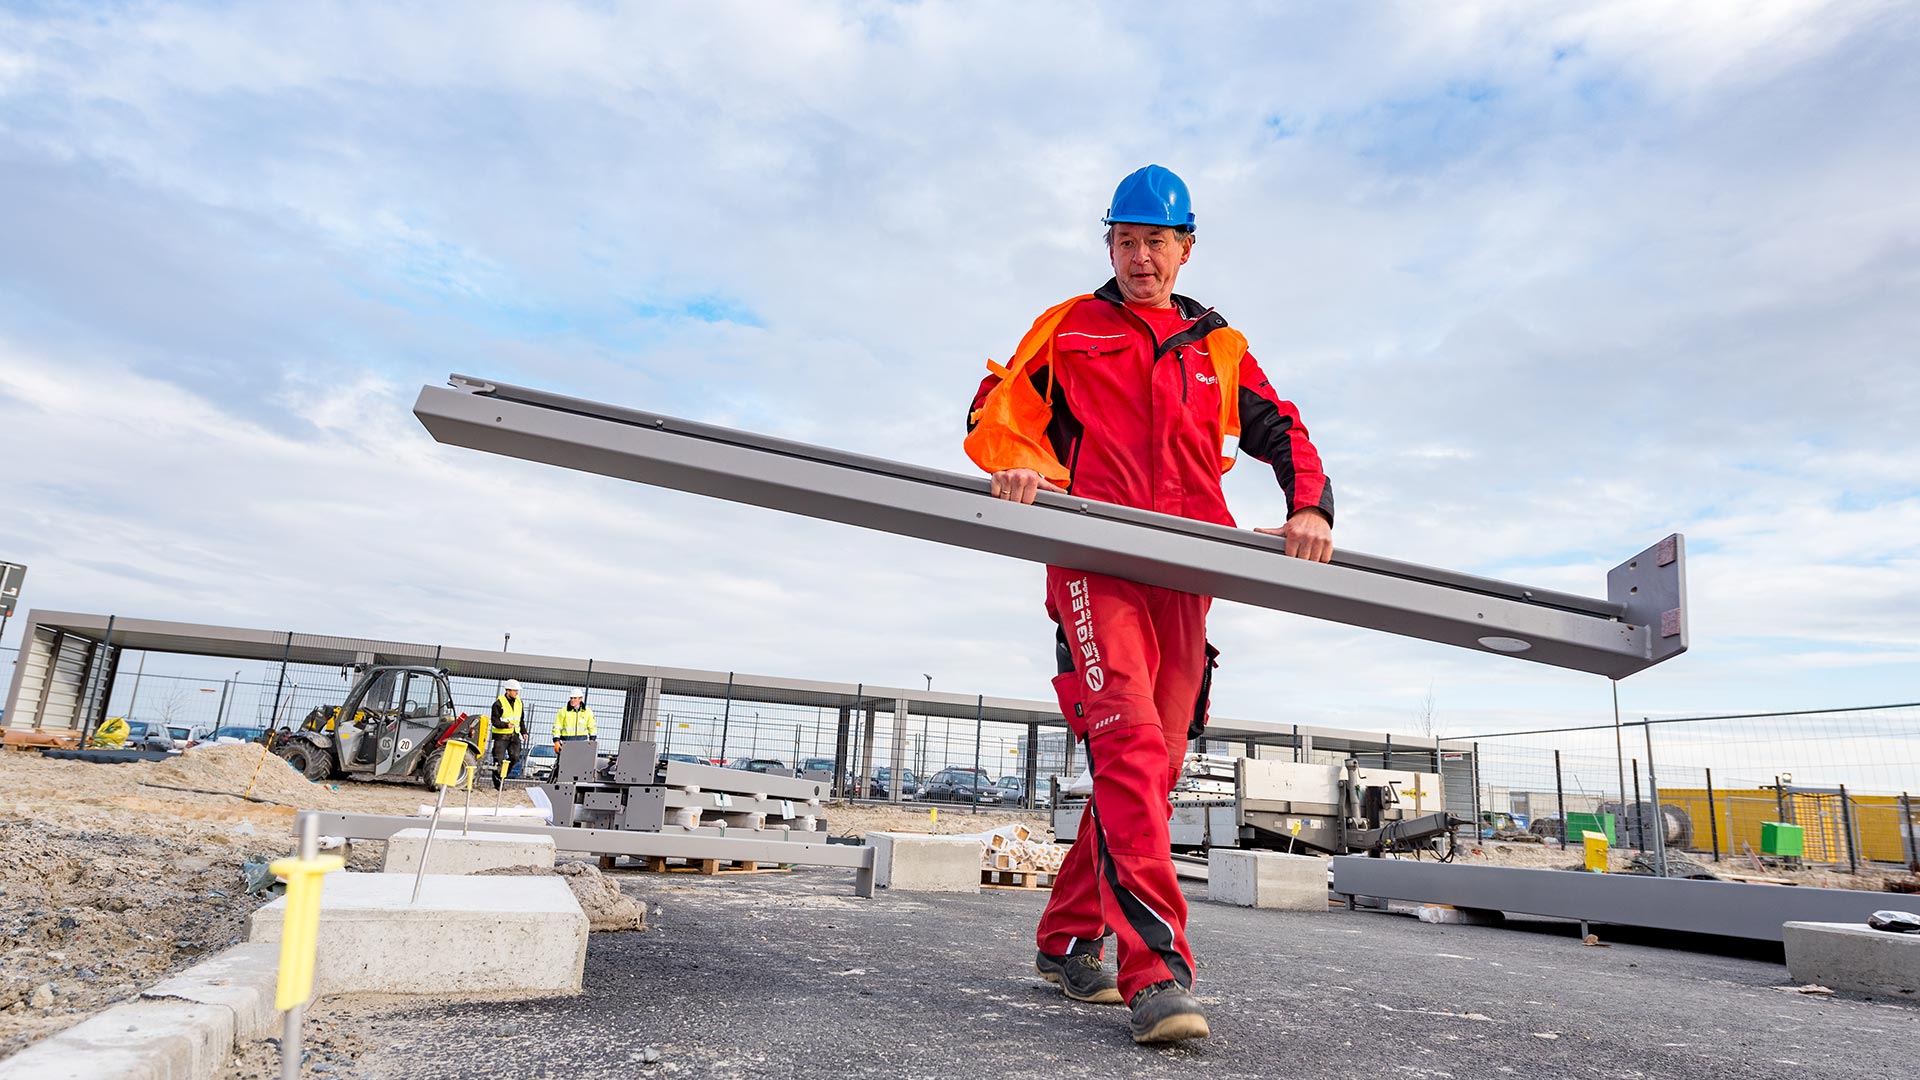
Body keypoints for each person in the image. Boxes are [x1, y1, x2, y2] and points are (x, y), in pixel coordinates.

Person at [964, 164, 1334, 1045]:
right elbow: (995, 404)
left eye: (1155, 241)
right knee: (1126, 744)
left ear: (1185, 247)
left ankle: (1063, 942)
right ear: (1111, 246)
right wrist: (1019, 459)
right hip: (1095, 560)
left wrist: (1309, 505)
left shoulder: (1218, 345)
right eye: (1124, 241)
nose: (1140, 257)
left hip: (1189, 570)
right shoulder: (1070, 328)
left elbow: (1283, 426)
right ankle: (1157, 974)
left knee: (1155, 769)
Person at [489, 679, 529, 788]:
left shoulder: (519, 702)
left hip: (514, 736)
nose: (517, 692)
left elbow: (520, 720)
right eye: (515, 690)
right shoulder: (498, 703)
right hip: (501, 737)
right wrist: (506, 725)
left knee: (515, 758)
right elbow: (495, 721)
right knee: (499, 760)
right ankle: (498, 784)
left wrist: (524, 732)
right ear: (508, 691)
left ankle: (503, 775)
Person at [553, 690, 596, 756]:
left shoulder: (587, 712)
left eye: (575, 698)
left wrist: (592, 740)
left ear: (580, 699)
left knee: (579, 763)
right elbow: (557, 727)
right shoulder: (563, 711)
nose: (572, 700)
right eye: (571, 698)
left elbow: (592, 727)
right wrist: (556, 741)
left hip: (582, 743)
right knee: (564, 763)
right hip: (566, 743)